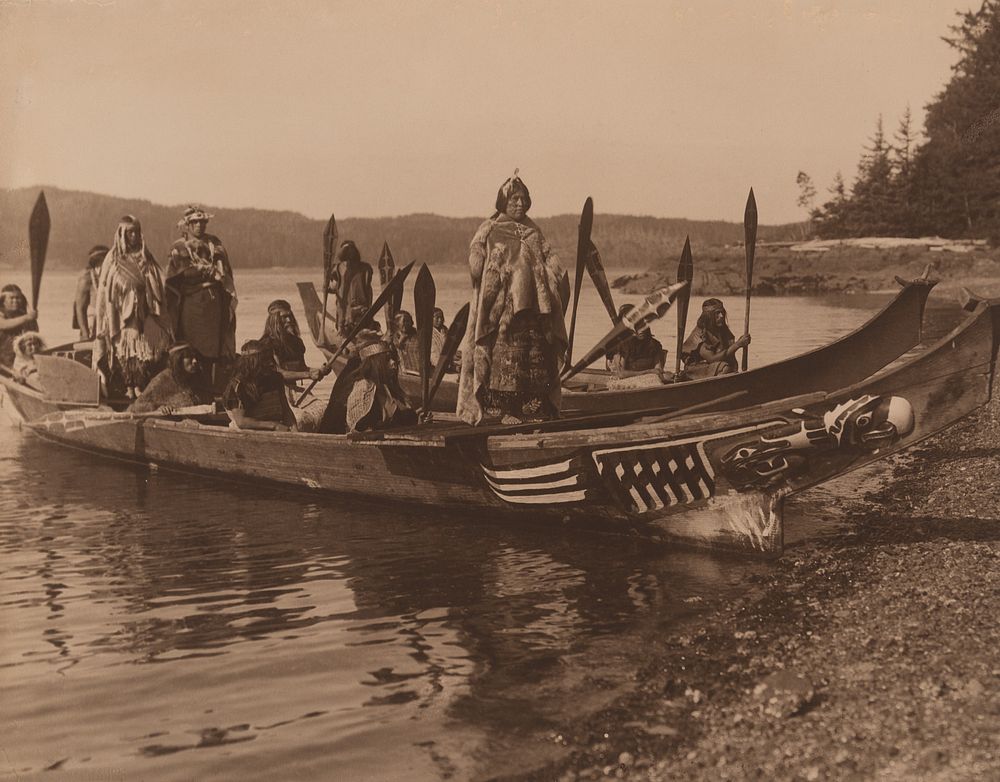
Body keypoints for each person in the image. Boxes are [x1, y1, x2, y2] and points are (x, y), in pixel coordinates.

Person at [457, 172, 567, 425]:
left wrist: (553, 274)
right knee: (503, 360)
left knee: (535, 358)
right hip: (502, 312)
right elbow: (478, 263)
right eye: (514, 199)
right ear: (503, 202)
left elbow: (549, 258)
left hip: (535, 312)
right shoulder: (490, 229)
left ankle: (535, 409)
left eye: (523, 200)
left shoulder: (533, 232)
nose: (519, 204)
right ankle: (506, 410)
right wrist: (480, 263)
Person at [92, 216, 173, 398]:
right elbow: (104, 293)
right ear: (122, 234)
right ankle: (129, 386)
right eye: (130, 232)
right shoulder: (112, 259)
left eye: (137, 231)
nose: (134, 236)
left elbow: (160, 280)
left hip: (145, 311)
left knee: (145, 350)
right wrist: (102, 319)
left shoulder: (145, 255)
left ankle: (140, 385)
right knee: (125, 350)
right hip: (122, 315)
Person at [165, 206, 238, 383]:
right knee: (193, 346)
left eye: (202, 222)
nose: (199, 225)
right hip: (193, 304)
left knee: (217, 344)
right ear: (187, 225)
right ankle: (193, 381)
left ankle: (214, 383)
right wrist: (203, 270)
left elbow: (226, 271)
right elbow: (175, 277)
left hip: (215, 303)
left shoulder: (215, 243)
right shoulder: (179, 247)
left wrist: (219, 276)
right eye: (195, 222)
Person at [318, 331, 415, 434]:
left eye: (393, 358)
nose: (393, 362)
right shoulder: (363, 387)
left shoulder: (386, 386)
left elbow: (398, 419)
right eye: (387, 359)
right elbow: (358, 427)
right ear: (376, 363)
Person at [222, 340, 296, 431]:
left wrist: (295, 432)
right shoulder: (239, 385)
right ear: (252, 362)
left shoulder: (276, 379)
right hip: (247, 433)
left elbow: (286, 411)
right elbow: (241, 422)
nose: (270, 363)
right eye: (265, 360)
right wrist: (274, 426)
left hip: (275, 431)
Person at [127, 343, 213, 414]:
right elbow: (138, 405)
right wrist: (158, 408)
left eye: (196, 358)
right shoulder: (163, 379)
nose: (195, 361)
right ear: (178, 359)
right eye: (189, 357)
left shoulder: (196, 379)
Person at [681, 298, 751, 379]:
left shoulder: (723, 330)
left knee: (729, 367)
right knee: (724, 367)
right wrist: (738, 345)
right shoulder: (699, 335)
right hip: (696, 371)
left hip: (717, 368)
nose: (721, 316)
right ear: (708, 316)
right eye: (717, 313)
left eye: (722, 312)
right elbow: (712, 359)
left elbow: (729, 355)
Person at [605, 303, 668, 388]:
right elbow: (621, 374)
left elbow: (658, 370)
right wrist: (648, 372)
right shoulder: (622, 345)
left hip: (649, 381)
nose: (641, 331)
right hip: (626, 382)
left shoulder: (655, 345)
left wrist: (652, 373)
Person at [259, 299, 323, 385]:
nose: (289, 320)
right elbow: (279, 373)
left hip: (293, 390)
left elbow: (301, 368)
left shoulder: (296, 342)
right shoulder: (266, 344)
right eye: (284, 317)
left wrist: (319, 371)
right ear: (275, 320)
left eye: (290, 316)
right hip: (274, 392)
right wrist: (308, 374)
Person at [327, 240, 373, 335]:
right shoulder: (338, 269)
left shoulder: (365, 269)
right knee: (344, 327)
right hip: (345, 310)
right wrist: (327, 287)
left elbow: (368, 288)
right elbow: (333, 287)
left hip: (360, 309)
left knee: (360, 328)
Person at [73, 245, 109, 340]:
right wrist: (85, 333)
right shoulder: (86, 279)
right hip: (92, 325)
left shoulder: (112, 276)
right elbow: (80, 308)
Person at [0, 284, 38, 367]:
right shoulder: (1, 314)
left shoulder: (27, 318)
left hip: (21, 360)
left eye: (18, 298)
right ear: (3, 301)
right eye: (12, 298)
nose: (15, 301)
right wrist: (28, 317)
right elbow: (4, 325)